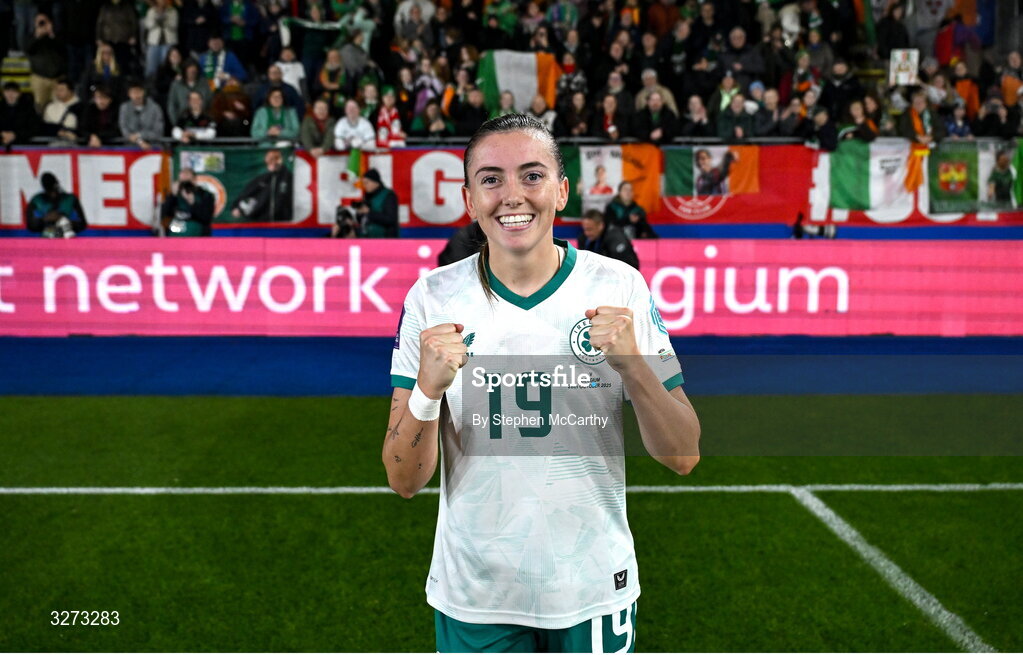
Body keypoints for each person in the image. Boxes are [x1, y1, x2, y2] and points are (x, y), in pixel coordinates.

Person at [385, 114, 699, 652]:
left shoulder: (619, 286)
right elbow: (403, 480)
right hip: (476, 594)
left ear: (562, 190)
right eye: (491, 179)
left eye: (532, 176)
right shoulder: (431, 299)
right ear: (468, 199)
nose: (512, 196)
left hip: (591, 588)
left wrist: (633, 366)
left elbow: (683, 454)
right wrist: (427, 391)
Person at [230, 149, 292, 222]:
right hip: (262, 222)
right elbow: (247, 193)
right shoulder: (262, 179)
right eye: (270, 161)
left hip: (284, 223)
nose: (273, 164)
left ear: (280, 160)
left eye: (275, 160)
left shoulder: (289, 178)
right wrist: (237, 207)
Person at [26, 172, 88, 238]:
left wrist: (63, 220)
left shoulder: (70, 199)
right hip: (47, 235)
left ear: (57, 186)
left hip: (66, 234)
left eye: (54, 191)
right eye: (50, 191)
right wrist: (45, 219)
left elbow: (82, 224)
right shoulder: (37, 200)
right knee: (50, 233)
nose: (53, 194)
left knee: (63, 223)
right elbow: (31, 225)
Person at [159, 168, 214, 236]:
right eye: (182, 183)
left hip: (198, 232)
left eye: (187, 183)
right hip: (178, 226)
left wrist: (192, 202)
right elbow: (163, 214)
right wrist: (172, 196)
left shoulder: (205, 195)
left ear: (194, 180)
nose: (186, 187)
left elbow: (206, 217)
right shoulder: (175, 195)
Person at [118, 79, 165, 149]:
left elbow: (158, 131)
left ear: (144, 92)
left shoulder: (155, 108)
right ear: (129, 94)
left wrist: (139, 135)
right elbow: (124, 129)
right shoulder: (124, 108)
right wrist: (139, 141)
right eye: (133, 92)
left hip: (153, 147)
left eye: (139, 91)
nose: (137, 95)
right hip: (130, 149)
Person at [353, 168, 399, 237]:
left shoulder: (389, 196)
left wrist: (369, 212)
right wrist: (359, 213)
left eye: (367, 182)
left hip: (385, 240)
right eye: (363, 183)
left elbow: (391, 219)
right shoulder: (366, 196)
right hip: (367, 239)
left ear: (375, 182)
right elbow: (361, 220)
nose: (365, 185)